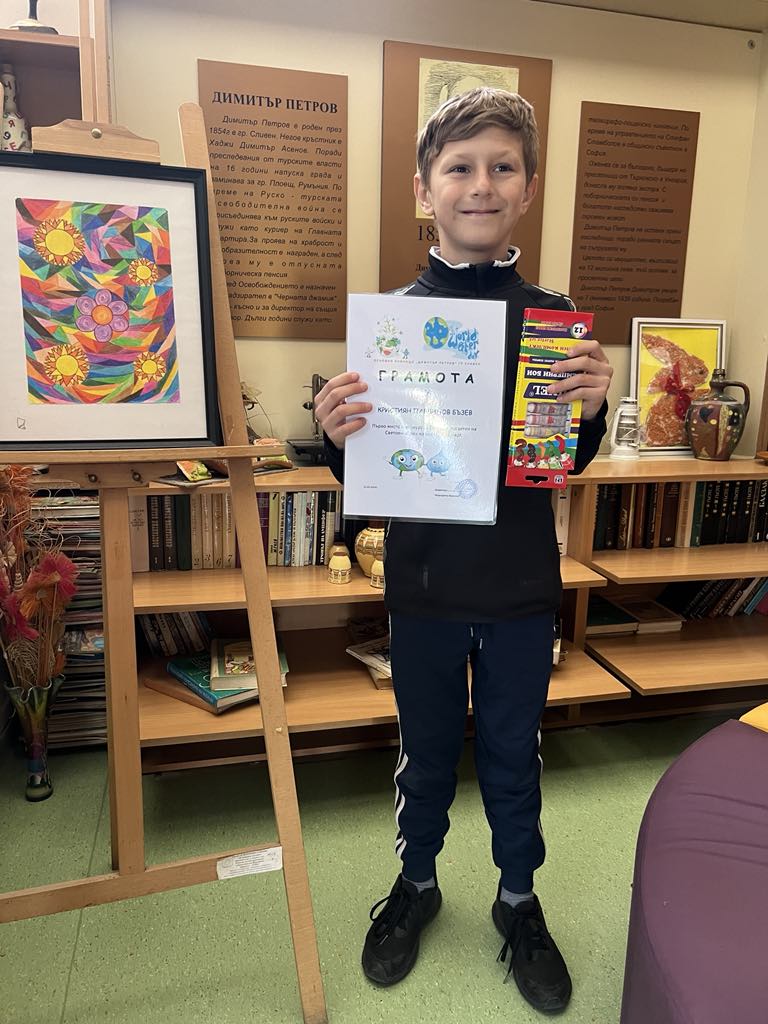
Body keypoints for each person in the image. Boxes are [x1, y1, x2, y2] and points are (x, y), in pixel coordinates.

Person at [314, 87, 613, 1015]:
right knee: (427, 755)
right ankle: (417, 884)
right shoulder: (393, 324)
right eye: (459, 167)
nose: (481, 184)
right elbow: (368, 470)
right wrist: (334, 434)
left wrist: (591, 412)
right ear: (424, 188)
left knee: (516, 756)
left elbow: (561, 461)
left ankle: (518, 900)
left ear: (528, 187)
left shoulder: (555, 320)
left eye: (502, 167)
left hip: (520, 589)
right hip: (426, 591)